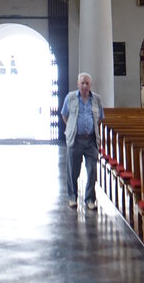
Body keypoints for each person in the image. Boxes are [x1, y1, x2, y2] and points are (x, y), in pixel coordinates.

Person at [60, 72, 104, 211]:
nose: (85, 85)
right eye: (82, 83)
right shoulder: (71, 98)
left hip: (91, 140)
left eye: (87, 83)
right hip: (76, 140)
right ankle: (72, 197)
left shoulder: (96, 99)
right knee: (73, 171)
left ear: (91, 85)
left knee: (92, 171)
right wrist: (72, 128)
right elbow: (64, 115)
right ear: (78, 84)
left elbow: (100, 118)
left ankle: (90, 199)